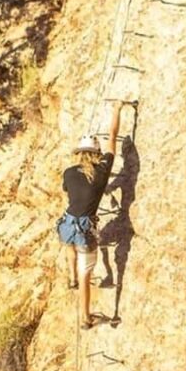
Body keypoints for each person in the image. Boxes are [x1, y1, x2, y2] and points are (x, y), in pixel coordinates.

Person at [57, 102, 122, 330]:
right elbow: (112, 137)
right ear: (96, 153)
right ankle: (85, 318)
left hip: (67, 223)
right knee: (88, 274)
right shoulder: (102, 171)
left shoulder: (68, 172)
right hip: (85, 228)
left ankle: (71, 278)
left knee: (69, 247)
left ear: (79, 153)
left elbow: (68, 191)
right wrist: (117, 110)